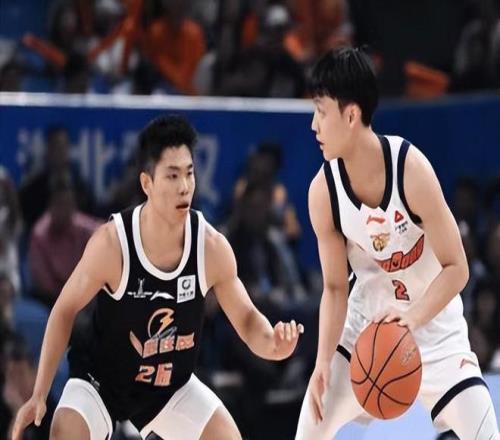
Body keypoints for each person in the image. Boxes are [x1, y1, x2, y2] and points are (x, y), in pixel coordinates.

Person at [12, 115, 304, 440]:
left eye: (189, 173)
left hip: (167, 386)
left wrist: (272, 344)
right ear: (147, 183)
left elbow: (247, 319)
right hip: (101, 382)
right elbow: (64, 310)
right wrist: (39, 393)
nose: (184, 186)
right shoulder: (112, 244)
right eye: (172, 175)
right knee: (65, 432)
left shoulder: (211, 247)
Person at [295, 47, 499, 439]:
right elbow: (335, 289)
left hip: (434, 331)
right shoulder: (323, 192)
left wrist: (413, 319)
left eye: (321, 111)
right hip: (364, 333)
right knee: (308, 430)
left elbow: (458, 267)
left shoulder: (410, 169)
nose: (313, 125)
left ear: (350, 115)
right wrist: (322, 361)